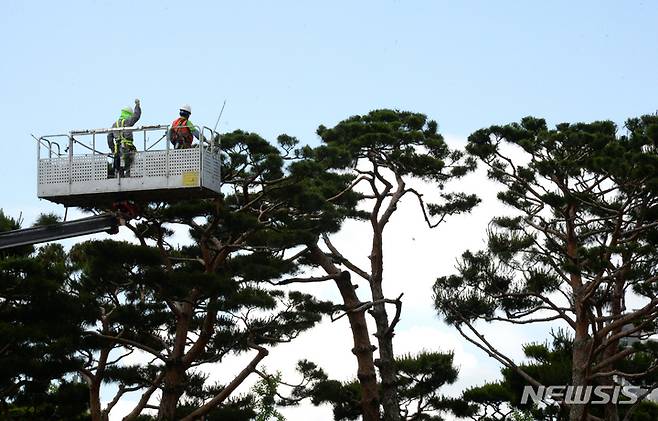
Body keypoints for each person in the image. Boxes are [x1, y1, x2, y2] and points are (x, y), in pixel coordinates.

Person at [108, 99, 141, 177]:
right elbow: (136, 116)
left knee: (119, 168)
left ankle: (119, 179)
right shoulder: (127, 121)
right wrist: (137, 105)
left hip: (117, 151)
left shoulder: (114, 125)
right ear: (129, 113)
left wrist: (113, 149)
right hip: (127, 149)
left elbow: (109, 138)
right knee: (130, 166)